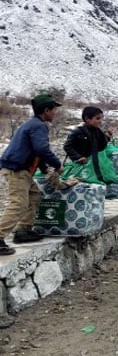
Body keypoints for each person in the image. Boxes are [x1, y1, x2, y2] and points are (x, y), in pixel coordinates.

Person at [0, 93, 64, 254]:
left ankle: (23, 230)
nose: (55, 113)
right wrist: (57, 165)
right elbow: (42, 149)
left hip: (23, 171)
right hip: (17, 170)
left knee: (35, 196)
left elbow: (35, 151)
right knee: (19, 204)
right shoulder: (38, 126)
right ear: (46, 110)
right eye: (54, 110)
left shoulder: (33, 124)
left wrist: (44, 169)